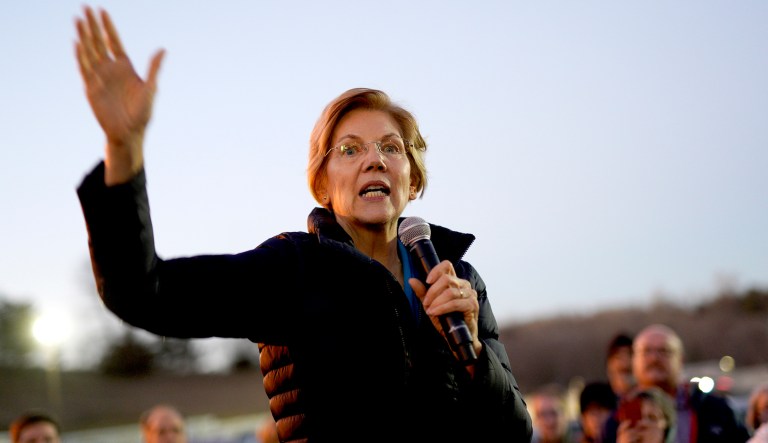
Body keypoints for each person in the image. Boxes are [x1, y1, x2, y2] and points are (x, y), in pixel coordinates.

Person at [72, 6, 532, 442]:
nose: (374, 159)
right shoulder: (294, 268)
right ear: (323, 186)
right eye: (350, 150)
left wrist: (472, 350)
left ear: (413, 180)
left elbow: (515, 432)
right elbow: (143, 292)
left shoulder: (459, 281)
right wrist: (123, 147)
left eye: (391, 148)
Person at [601, 324, 749, 443]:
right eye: (646, 351)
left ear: (681, 360)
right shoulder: (616, 421)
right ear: (634, 361)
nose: (654, 359)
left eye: (663, 351)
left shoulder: (716, 411)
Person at [606, 333, 635, 398]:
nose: (624, 364)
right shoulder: (601, 400)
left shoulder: (647, 399)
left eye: (629, 355)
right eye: (618, 357)